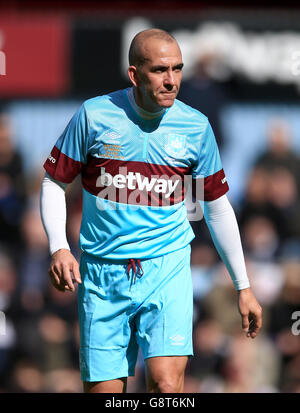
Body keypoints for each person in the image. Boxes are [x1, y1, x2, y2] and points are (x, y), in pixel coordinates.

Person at [40, 28, 262, 393]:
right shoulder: (94, 116)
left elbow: (217, 207)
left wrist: (244, 286)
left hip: (167, 268)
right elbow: (53, 182)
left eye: (177, 69)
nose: (172, 81)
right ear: (134, 74)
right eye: (160, 70)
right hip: (101, 273)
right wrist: (58, 246)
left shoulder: (195, 127)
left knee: (166, 385)